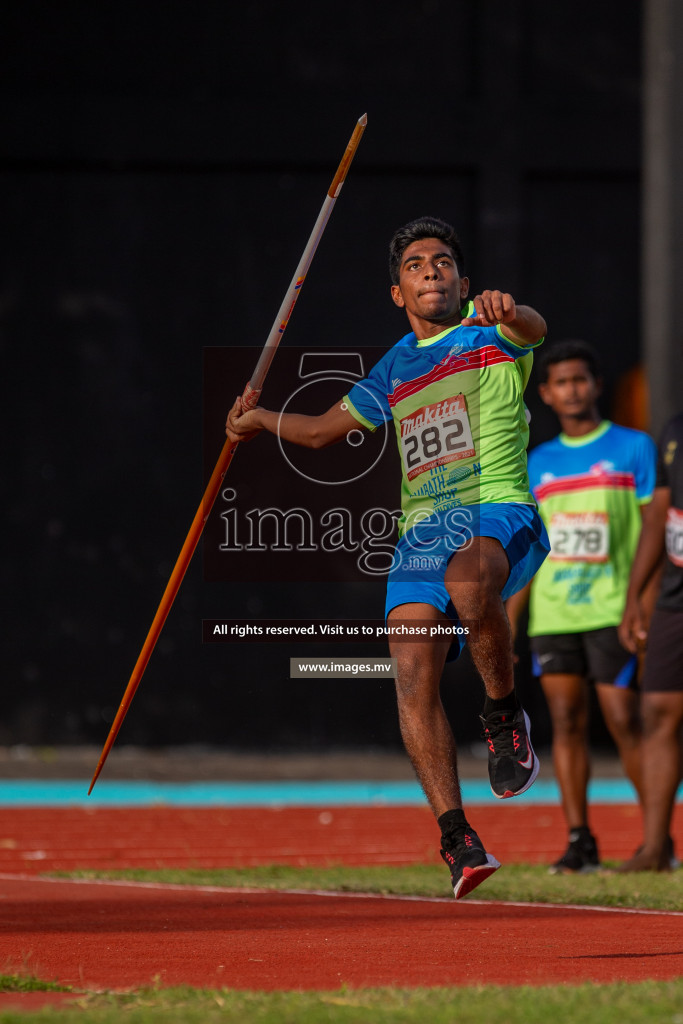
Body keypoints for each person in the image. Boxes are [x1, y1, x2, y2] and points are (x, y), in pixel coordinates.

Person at [226, 216, 550, 899]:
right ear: (397, 292)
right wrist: (260, 420)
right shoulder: (395, 366)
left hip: (496, 514)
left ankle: (500, 714)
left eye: (442, 262)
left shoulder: (491, 331)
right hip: (421, 535)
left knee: (469, 582)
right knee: (408, 669)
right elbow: (318, 433)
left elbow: (533, 329)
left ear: (462, 281)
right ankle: (457, 840)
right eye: (415, 265)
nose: (430, 269)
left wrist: (509, 308)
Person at [506, 340, 658, 872]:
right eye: (561, 383)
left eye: (580, 380)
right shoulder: (535, 463)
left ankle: (657, 840)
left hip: (614, 611)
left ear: (596, 385)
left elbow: (655, 532)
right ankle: (580, 840)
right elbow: (526, 549)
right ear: (545, 394)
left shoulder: (635, 448)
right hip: (554, 615)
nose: (572, 390)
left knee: (625, 721)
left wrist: (642, 602)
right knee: (565, 722)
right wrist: (510, 624)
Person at [617, 412, 683, 871]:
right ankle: (656, 847)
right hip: (674, 600)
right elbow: (659, 511)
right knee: (656, 711)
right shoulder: (675, 428)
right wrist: (636, 595)